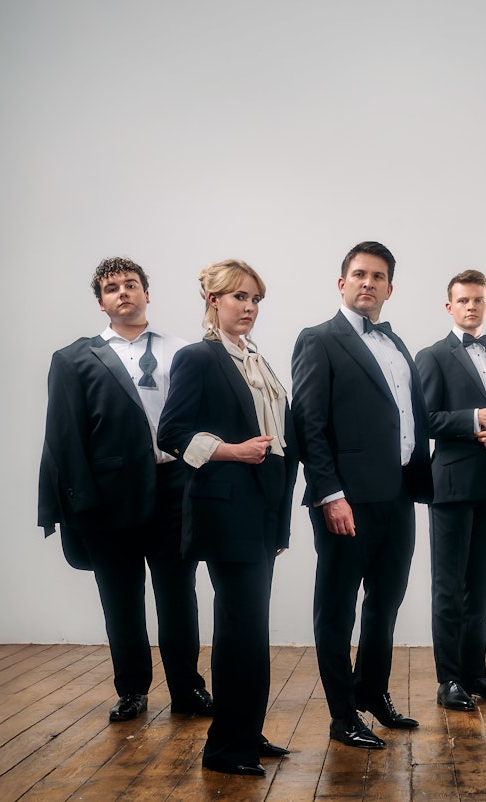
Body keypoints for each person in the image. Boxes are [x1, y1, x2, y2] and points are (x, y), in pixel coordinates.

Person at [38, 257, 211, 724]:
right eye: (112, 288)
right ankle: (132, 690)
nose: (123, 293)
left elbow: (201, 420)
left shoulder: (185, 351)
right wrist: (77, 504)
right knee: (120, 600)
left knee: (178, 596)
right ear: (101, 302)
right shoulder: (75, 358)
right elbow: (65, 438)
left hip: (175, 488)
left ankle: (188, 689)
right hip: (108, 499)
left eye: (131, 284)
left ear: (146, 293)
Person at [157, 259, 298, 777]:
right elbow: (170, 434)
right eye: (240, 297)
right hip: (224, 513)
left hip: (260, 513)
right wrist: (232, 452)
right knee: (239, 630)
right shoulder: (199, 357)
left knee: (252, 630)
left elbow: (281, 441)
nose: (249, 307)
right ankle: (223, 751)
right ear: (213, 301)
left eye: (256, 299)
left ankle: (246, 732)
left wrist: (279, 520)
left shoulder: (258, 360)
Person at [291, 241, 433, 750]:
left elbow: (410, 416)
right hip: (346, 498)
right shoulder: (318, 340)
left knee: (386, 602)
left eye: (377, 276)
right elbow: (308, 424)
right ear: (341, 283)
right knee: (337, 608)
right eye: (358, 274)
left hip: (398, 494)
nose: (367, 283)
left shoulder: (396, 344)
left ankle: (371, 691)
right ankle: (342, 714)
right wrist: (329, 494)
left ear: (390, 288)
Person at [415, 270, 486, 713]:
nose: (471, 306)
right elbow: (425, 421)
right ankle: (449, 679)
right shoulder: (432, 356)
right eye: (463, 300)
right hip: (452, 485)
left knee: (482, 586)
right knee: (449, 587)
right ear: (449, 306)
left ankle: (474, 673)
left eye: (478, 300)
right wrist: (477, 418)